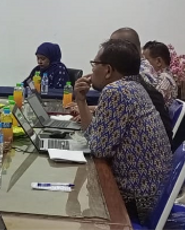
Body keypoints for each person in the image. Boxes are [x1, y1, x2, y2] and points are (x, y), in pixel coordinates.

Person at [75, 39, 171, 223]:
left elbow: (98, 149)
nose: (92, 69)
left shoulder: (115, 91)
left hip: (136, 202)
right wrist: (81, 101)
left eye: (95, 64)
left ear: (108, 70)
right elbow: (96, 137)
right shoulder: (135, 87)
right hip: (153, 195)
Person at [143, 41, 178, 108]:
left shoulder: (165, 80)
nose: (143, 64)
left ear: (158, 61)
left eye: (146, 60)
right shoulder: (158, 78)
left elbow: (152, 104)